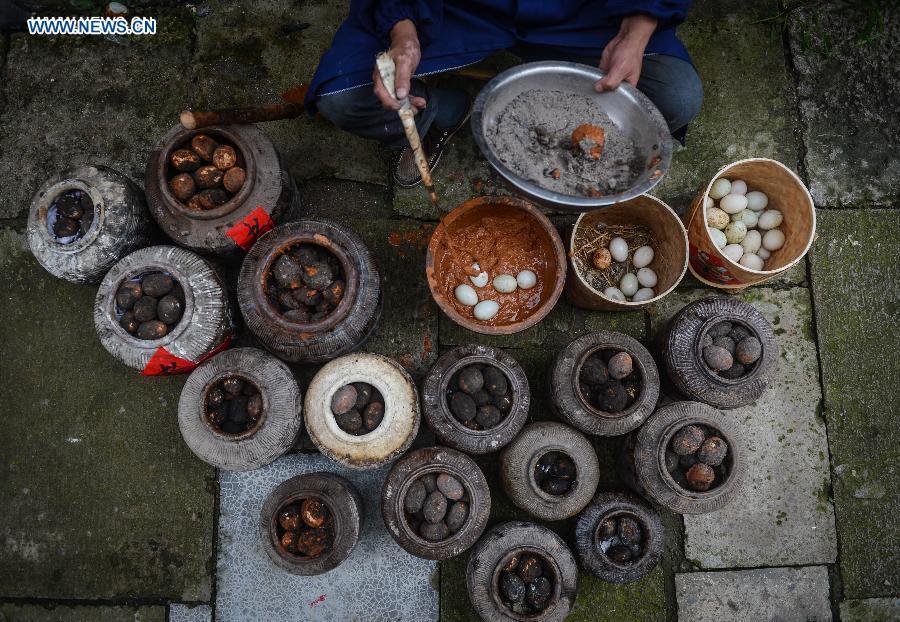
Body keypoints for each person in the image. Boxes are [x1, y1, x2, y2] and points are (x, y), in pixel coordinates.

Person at [304, 1, 702, 188]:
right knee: (343, 96)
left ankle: (565, 113)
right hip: (462, 11)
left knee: (675, 98)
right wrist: (402, 30)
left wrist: (639, 24)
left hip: (583, 14)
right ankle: (447, 111)